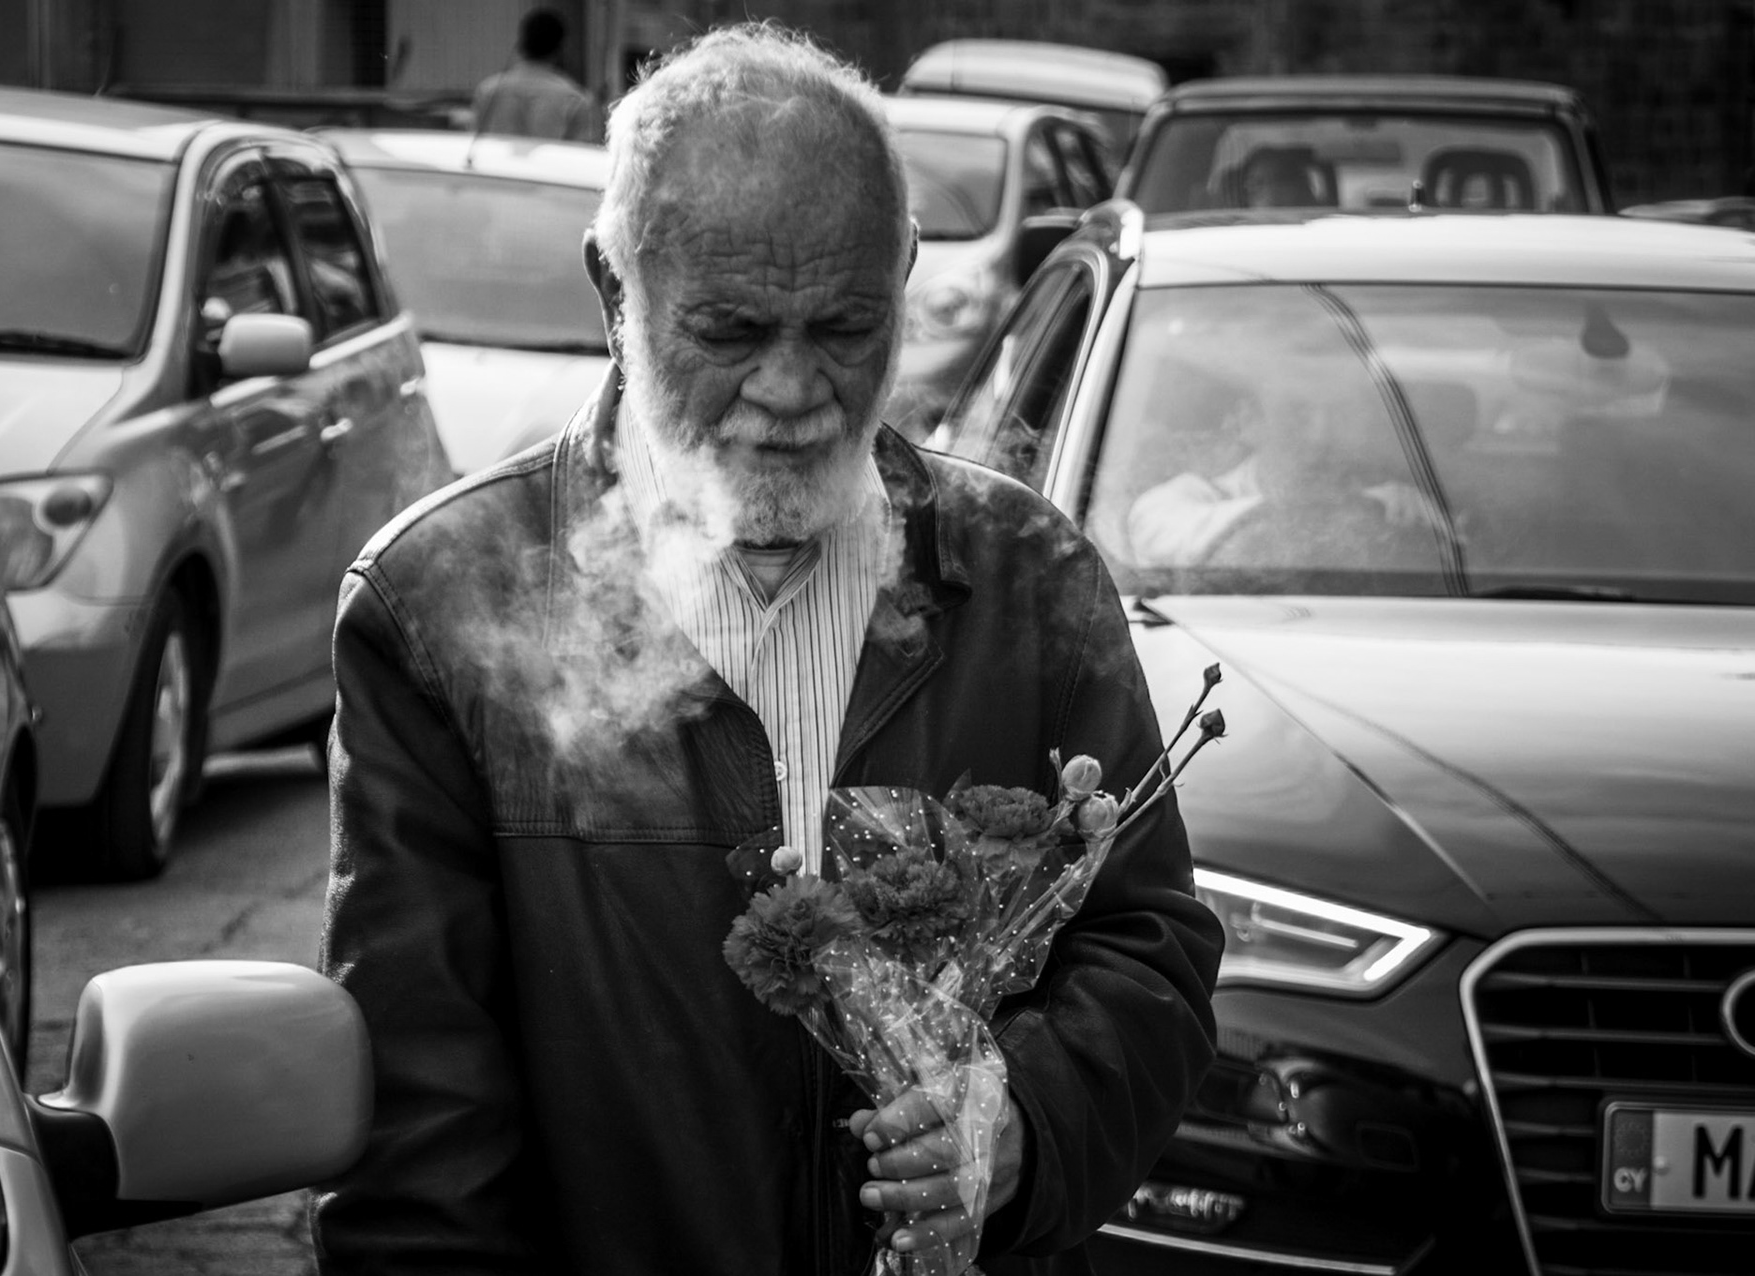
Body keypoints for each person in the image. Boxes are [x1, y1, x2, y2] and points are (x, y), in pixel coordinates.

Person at [313, 24, 1221, 1276]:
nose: (793, 392)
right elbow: (423, 1145)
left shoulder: (1026, 574)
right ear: (614, 292)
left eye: (845, 328)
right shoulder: (440, 608)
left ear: (905, 274)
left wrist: (1027, 1122)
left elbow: (1149, 952)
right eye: (731, 332)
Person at [1127, 381, 1444, 568]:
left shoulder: (1397, 503)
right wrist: (1352, 508)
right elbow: (1161, 532)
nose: (1321, 435)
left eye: (1339, 414)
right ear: (1247, 422)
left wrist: (1418, 520)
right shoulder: (1177, 503)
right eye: (1298, 412)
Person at [471, 8, 600, 142]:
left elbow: (475, 142)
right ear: (561, 47)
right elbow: (583, 150)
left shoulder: (488, 91)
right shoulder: (575, 99)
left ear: (522, 44)